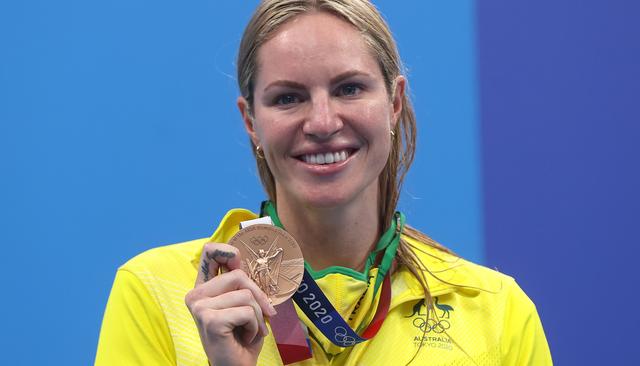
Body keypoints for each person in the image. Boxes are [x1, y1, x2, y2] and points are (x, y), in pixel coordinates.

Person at [95, 1, 552, 365]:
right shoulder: (158, 294)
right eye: (288, 98)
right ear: (251, 121)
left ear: (393, 103)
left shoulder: (496, 313)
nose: (322, 121)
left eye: (349, 88)